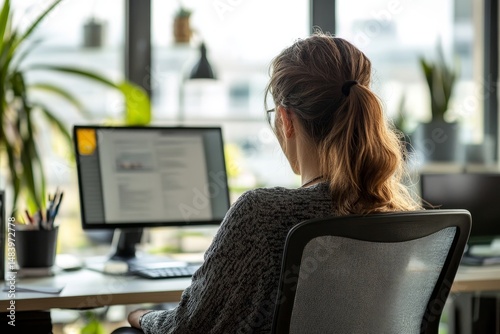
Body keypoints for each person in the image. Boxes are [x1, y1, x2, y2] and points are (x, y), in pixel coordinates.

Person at [122, 32, 421, 334]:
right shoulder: (395, 217)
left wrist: (141, 316)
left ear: (286, 120)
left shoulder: (262, 212)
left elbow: (188, 328)